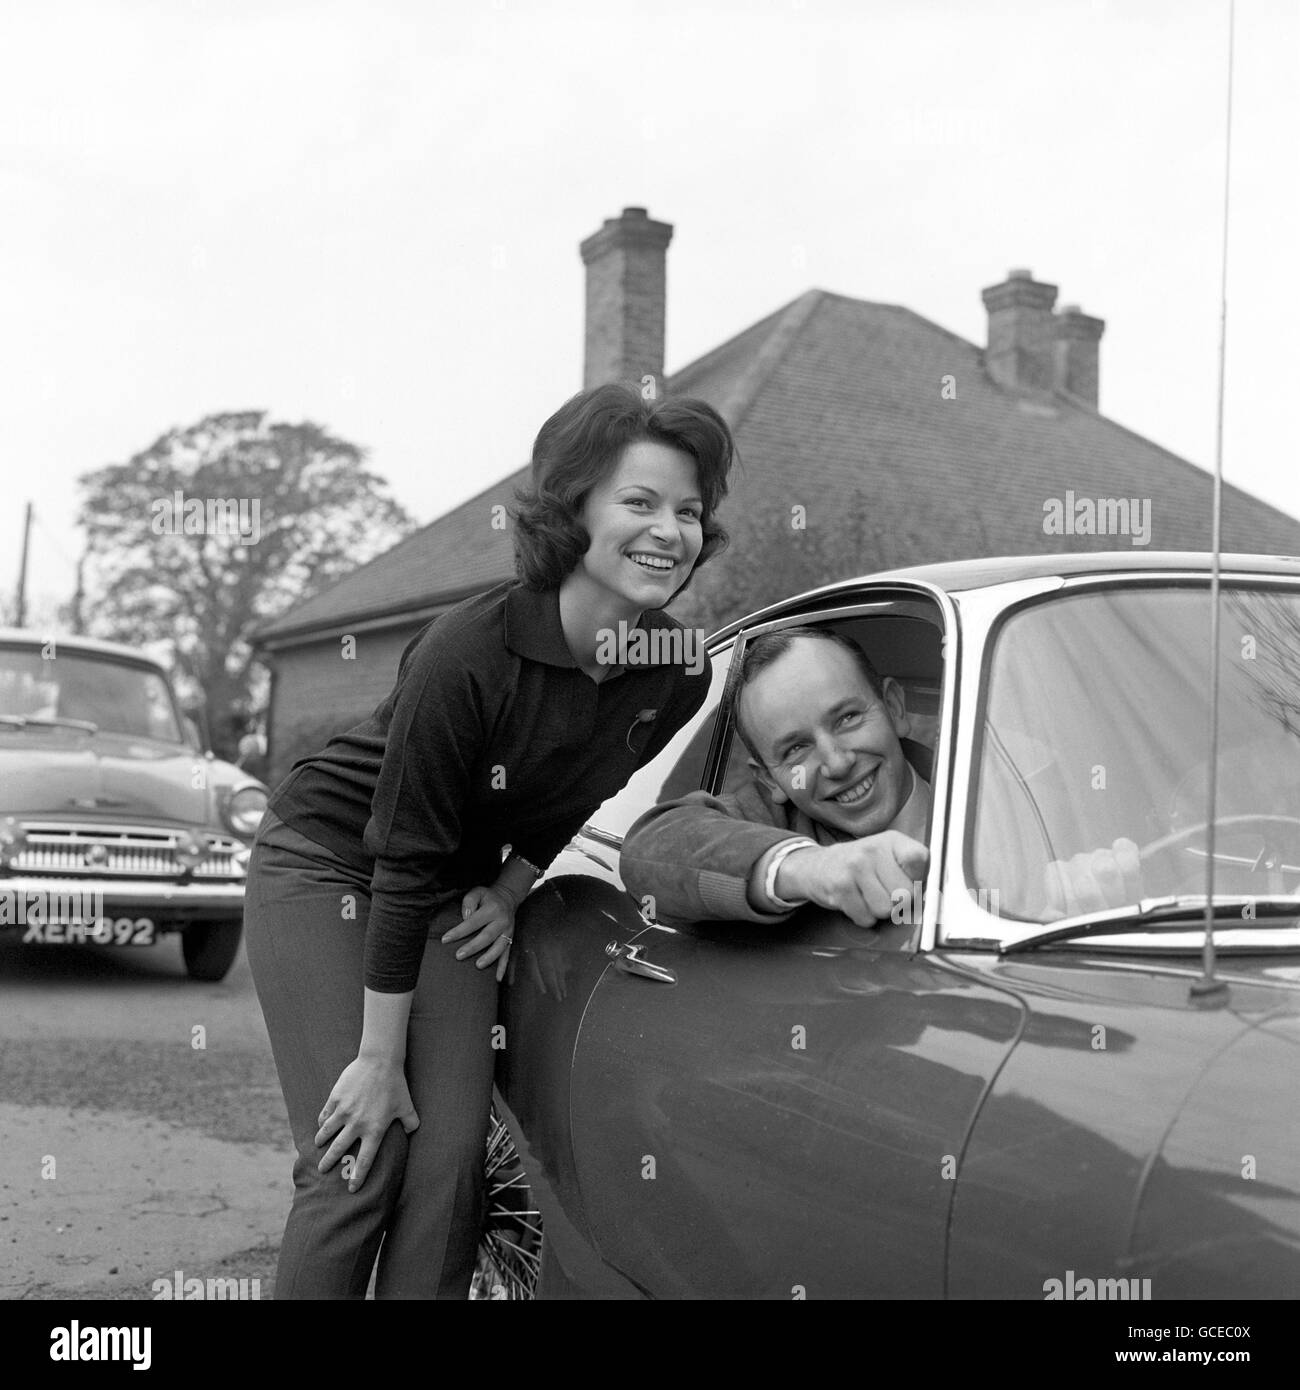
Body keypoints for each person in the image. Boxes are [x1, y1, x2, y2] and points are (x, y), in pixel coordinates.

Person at [243, 382, 735, 1299]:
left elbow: (575, 793)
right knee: (365, 1151)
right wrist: (379, 1058)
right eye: (639, 502)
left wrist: (510, 893)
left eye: (689, 510)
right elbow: (404, 856)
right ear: (570, 510)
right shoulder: (465, 652)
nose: (670, 530)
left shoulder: (675, 670)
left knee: (452, 1174)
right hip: (330, 864)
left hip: (450, 888)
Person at [620, 626, 1140, 928]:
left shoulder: (1027, 803)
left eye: (847, 718)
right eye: (797, 747)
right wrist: (814, 869)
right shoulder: (773, 818)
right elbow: (650, 848)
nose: (838, 762)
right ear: (773, 779)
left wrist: (1100, 905)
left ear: (893, 708)